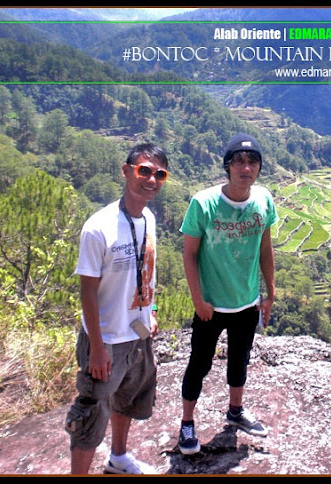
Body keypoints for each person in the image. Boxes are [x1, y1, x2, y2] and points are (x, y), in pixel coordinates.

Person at [65, 143, 169, 474]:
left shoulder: (149, 219)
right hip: (107, 338)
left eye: (159, 174)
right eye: (144, 171)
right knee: (91, 414)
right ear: (126, 171)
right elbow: (88, 291)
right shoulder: (99, 227)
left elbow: (145, 272)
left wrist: (149, 313)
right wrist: (97, 347)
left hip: (138, 334)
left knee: (130, 399)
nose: (151, 180)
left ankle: (119, 458)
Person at [178, 133, 278, 455]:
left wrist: (270, 292)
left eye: (253, 162)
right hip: (211, 304)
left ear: (259, 168)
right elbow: (189, 254)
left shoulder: (263, 200)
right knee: (199, 363)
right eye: (239, 161)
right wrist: (198, 299)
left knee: (240, 360)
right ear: (227, 166)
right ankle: (187, 423)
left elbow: (265, 247)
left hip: (247, 301)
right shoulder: (203, 203)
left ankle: (235, 412)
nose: (246, 168)